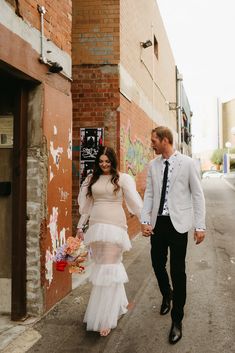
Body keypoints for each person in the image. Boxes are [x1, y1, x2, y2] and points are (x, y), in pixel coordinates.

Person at [141, 126, 206, 344]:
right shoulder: (153, 165)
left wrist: (200, 225)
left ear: (165, 140)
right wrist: (145, 220)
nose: (151, 144)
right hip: (158, 224)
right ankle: (166, 293)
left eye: (154, 140)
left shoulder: (187, 163)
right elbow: (149, 194)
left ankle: (177, 319)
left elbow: (197, 195)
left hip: (179, 225)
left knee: (178, 271)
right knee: (157, 265)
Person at [77, 146, 143, 337]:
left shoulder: (123, 179)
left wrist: (145, 222)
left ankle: (105, 317)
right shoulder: (91, 179)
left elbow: (134, 203)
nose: (104, 165)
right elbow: (87, 207)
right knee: (101, 267)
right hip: (96, 226)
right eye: (101, 161)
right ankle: (119, 304)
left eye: (107, 161)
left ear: (113, 161)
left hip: (115, 226)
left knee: (109, 267)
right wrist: (81, 227)